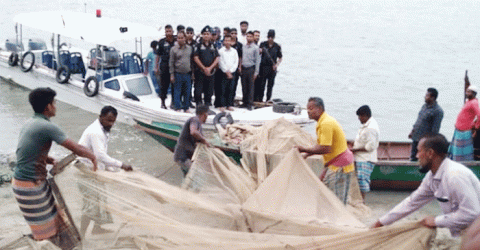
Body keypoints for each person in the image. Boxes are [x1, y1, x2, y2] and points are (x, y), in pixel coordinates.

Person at [12, 87, 97, 247]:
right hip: (29, 186)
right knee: (47, 231)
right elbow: (76, 149)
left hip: (28, 183)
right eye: (54, 103)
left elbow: (24, 152)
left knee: (57, 223)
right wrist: (93, 157)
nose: (56, 106)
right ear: (48, 107)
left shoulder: (31, 122)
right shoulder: (47, 127)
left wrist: (46, 159)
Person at [372, 133, 480, 237]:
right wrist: (381, 222)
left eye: (419, 151)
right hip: (466, 234)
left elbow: (471, 213)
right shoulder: (431, 177)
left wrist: (436, 221)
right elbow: (411, 203)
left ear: (430, 153)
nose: (416, 156)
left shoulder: (454, 176)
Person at [77, 105, 133, 238]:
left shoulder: (103, 130)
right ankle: (81, 236)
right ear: (100, 117)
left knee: (101, 200)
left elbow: (101, 157)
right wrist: (122, 165)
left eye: (113, 121)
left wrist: (113, 171)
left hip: (94, 169)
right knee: (90, 205)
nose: (111, 124)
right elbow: (100, 156)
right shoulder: (95, 131)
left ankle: (97, 228)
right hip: (86, 171)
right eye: (108, 120)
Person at [296, 97, 355, 204]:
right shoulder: (323, 121)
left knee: (336, 201)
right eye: (307, 108)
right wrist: (307, 154)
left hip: (339, 165)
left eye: (311, 108)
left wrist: (303, 149)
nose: (308, 111)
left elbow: (325, 148)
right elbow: (323, 144)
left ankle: (337, 219)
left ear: (319, 109)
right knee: (326, 195)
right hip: (336, 163)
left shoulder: (325, 123)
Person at [350, 105, 379, 200]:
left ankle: (362, 202)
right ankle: (359, 200)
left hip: (365, 159)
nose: (359, 119)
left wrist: (354, 149)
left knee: (362, 181)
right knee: (359, 180)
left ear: (365, 115)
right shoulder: (366, 125)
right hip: (361, 158)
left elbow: (370, 147)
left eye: (360, 116)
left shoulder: (371, 128)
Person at [173, 104, 211, 176]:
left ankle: (184, 187)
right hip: (183, 157)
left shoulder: (198, 124)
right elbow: (193, 132)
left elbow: (196, 140)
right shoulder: (194, 120)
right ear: (204, 115)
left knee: (188, 176)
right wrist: (204, 140)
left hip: (185, 157)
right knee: (198, 175)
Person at [408, 88, 443, 161]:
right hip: (416, 136)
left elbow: (435, 129)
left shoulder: (438, 111)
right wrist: (412, 131)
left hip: (424, 140)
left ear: (433, 97)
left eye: (427, 95)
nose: (425, 97)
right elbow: (418, 120)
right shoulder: (424, 106)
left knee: (423, 159)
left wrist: (429, 142)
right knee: (413, 157)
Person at [448, 85, 480, 161]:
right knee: (456, 150)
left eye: (469, 92)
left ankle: (464, 163)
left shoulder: (474, 102)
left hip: (464, 131)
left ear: (474, 93)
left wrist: (476, 126)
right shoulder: (468, 101)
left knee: (463, 152)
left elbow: (479, 115)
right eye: (466, 91)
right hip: (459, 130)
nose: (466, 93)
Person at [193, 25, 219, 107]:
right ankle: (199, 106)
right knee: (198, 90)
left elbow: (217, 58)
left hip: (210, 72)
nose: (206, 36)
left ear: (210, 35)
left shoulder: (213, 46)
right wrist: (204, 68)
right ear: (202, 35)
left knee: (209, 90)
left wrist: (210, 68)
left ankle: (207, 106)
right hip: (200, 72)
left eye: (208, 34)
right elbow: (195, 58)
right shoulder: (198, 45)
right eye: (204, 34)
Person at [169, 31, 194, 112]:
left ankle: (186, 107)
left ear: (185, 38)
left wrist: (193, 73)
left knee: (187, 91)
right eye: (178, 38)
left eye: (182, 38)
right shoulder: (173, 49)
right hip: (177, 73)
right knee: (177, 91)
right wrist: (172, 74)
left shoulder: (190, 48)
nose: (180, 39)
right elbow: (171, 62)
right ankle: (177, 107)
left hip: (187, 74)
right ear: (177, 39)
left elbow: (192, 61)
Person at [255, 29, 283, 102]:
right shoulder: (263, 44)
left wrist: (277, 64)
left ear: (274, 37)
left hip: (272, 68)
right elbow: (259, 53)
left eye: (272, 37)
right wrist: (260, 51)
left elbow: (280, 57)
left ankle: (268, 99)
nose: (270, 38)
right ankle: (260, 100)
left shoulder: (277, 46)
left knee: (270, 86)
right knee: (262, 85)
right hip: (263, 67)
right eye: (269, 37)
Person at [156, 24, 176, 109]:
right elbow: (158, 55)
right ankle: (163, 103)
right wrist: (156, 67)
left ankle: (173, 103)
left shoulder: (176, 40)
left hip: (175, 66)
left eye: (170, 31)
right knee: (164, 86)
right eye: (167, 31)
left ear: (173, 31)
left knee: (175, 86)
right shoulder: (161, 42)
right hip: (164, 66)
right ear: (165, 32)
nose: (168, 33)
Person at [218, 35, 239, 111]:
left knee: (231, 89)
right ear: (223, 42)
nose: (227, 42)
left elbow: (236, 62)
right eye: (226, 40)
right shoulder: (220, 51)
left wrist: (231, 71)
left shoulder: (234, 51)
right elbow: (220, 62)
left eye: (229, 40)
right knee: (222, 89)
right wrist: (226, 71)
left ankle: (229, 105)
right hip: (223, 72)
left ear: (231, 42)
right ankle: (222, 105)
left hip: (232, 72)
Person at [240, 31, 260, 110]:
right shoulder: (243, 47)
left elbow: (258, 60)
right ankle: (244, 102)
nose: (249, 38)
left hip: (251, 68)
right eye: (247, 36)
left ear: (253, 38)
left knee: (250, 87)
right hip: (244, 68)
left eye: (250, 37)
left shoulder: (255, 48)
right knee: (244, 86)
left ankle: (250, 103)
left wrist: (256, 72)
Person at [229, 28, 243, 106]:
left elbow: (240, 57)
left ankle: (231, 102)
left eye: (235, 33)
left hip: (235, 68)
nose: (234, 35)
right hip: (226, 68)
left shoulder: (239, 45)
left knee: (233, 85)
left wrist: (240, 66)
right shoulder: (226, 43)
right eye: (232, 33)